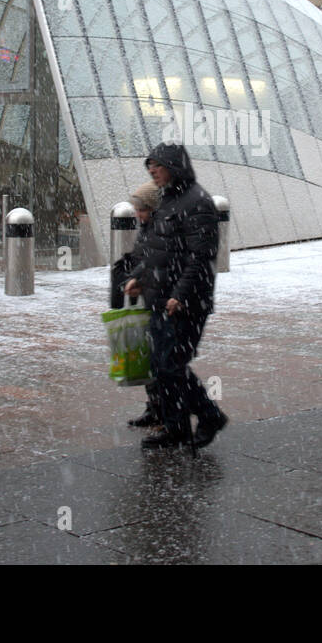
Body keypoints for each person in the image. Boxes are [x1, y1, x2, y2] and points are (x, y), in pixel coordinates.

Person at [124, 143, 227, 450]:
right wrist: (138, 278)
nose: (152, 171)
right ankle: (176, 427)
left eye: (157, 166)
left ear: (174, 166)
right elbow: (153, 248)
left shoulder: (197, 202)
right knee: (162, 366)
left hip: (186, 302)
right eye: (149, 167)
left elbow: (201, 256)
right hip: (159, 298)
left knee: (171, 364)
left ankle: (208, 416)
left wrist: (180, 295)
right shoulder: (167, 200)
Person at [114, 181, 164, 428]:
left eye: (142, 209)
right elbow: (143, 256)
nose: (137, 214)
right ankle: (155, 408)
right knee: (150, 358)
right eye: (136, 209)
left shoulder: (163, 229)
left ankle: (170, 412)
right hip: (151, 299)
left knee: (162, 361)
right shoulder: (147, 227)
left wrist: (141, 277)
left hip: (165, 302)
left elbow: (159, 261)